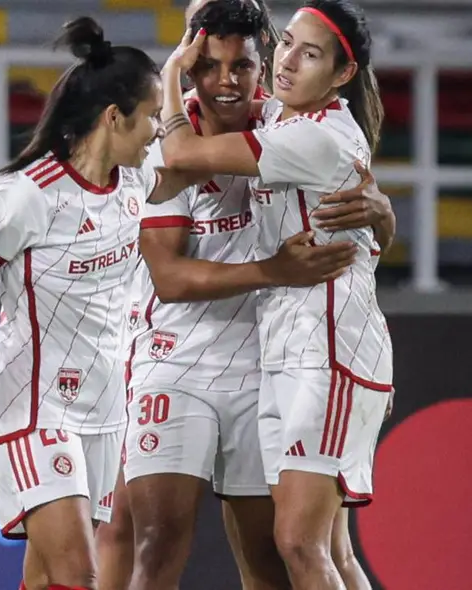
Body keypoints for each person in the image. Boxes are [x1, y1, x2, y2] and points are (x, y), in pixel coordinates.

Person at [0, 17, 203, 590]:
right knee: (79, 575)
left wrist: (179, 75)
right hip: (35, 408)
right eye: (150, 116)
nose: (156, 131)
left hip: (105, 410)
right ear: (113, 116)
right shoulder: (30, 193)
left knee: (47, 579)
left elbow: (194, 155)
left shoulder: (134, 178)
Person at [158, 1, 393, 588]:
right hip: (286, 348)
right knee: (328, 548)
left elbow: (181, 153)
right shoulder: (280, 119)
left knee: (298, 542)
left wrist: (170, 74)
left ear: (343, 73)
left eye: (309, 54)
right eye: (286, 43)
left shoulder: (316, 135)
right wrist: (384, 214)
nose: (287, 61)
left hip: (330, 350)